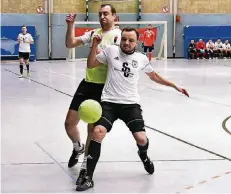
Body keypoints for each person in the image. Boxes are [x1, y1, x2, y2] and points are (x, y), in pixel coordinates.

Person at [76, 27, 189, 191]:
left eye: (130, 40)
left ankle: (143, 156)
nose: (126, 43)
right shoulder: (110, 51)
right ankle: (88, 178)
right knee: (97, 132)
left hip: (130, 105)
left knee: (142, 140)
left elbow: (154, 76)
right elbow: (91, 64)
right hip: (109, 103)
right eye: (124, 39)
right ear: (120, 39)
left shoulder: (141, 58)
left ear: (137, 42)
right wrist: (94, 45)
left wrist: (174, 86)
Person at [64, 4, 121, 186]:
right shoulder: (93, 33)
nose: (103, 17)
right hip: (87, 85)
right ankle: (77, 147)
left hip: (104, 88)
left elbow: (118, 60)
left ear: (114, 17)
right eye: (100, 14)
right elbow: (70, 43)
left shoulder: (119, 37)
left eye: (106, 14)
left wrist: (100, 53)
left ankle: (85, 168)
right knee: (69, 123)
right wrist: (70, 25)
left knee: (91, 129)